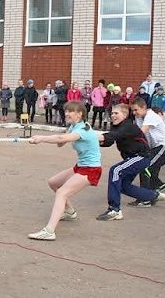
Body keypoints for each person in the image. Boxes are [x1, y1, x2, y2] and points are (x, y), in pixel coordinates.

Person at [27, 101, 102, 241]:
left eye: (70, 111)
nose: (66, 113)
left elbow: (61, 139)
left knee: (62, 192)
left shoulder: (83, 130)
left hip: (91, 170)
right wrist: (62, 138)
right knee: (53, 183)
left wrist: (41, 138)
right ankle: (69, 211)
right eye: (66, 111)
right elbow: (61, 143)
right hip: (80, 167)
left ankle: (49, 231)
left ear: (80, 114)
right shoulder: (74, 127)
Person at [96, 104, 164, 221]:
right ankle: (153, 195)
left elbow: (114, 135)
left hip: (140, 156)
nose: (113, 115)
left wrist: (89, 135)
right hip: (131, 159)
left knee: (115, 170)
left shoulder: (128, 126)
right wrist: (97, 142)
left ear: (125, 115)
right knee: (123, 186)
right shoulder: (116, 126)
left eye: (116, 113)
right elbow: (109, 141)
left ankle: (114, 210)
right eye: (112, 113)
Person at [130, 98, 165, 199]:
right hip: (155, 148)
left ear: (144, 107)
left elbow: (140, 133)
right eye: (133, 110)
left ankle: (145, 198)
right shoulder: (139, 118)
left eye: (136, 110)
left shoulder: (150, 115)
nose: (134, 112)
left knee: (145, 167)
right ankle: (155, 190)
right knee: (148, 168)